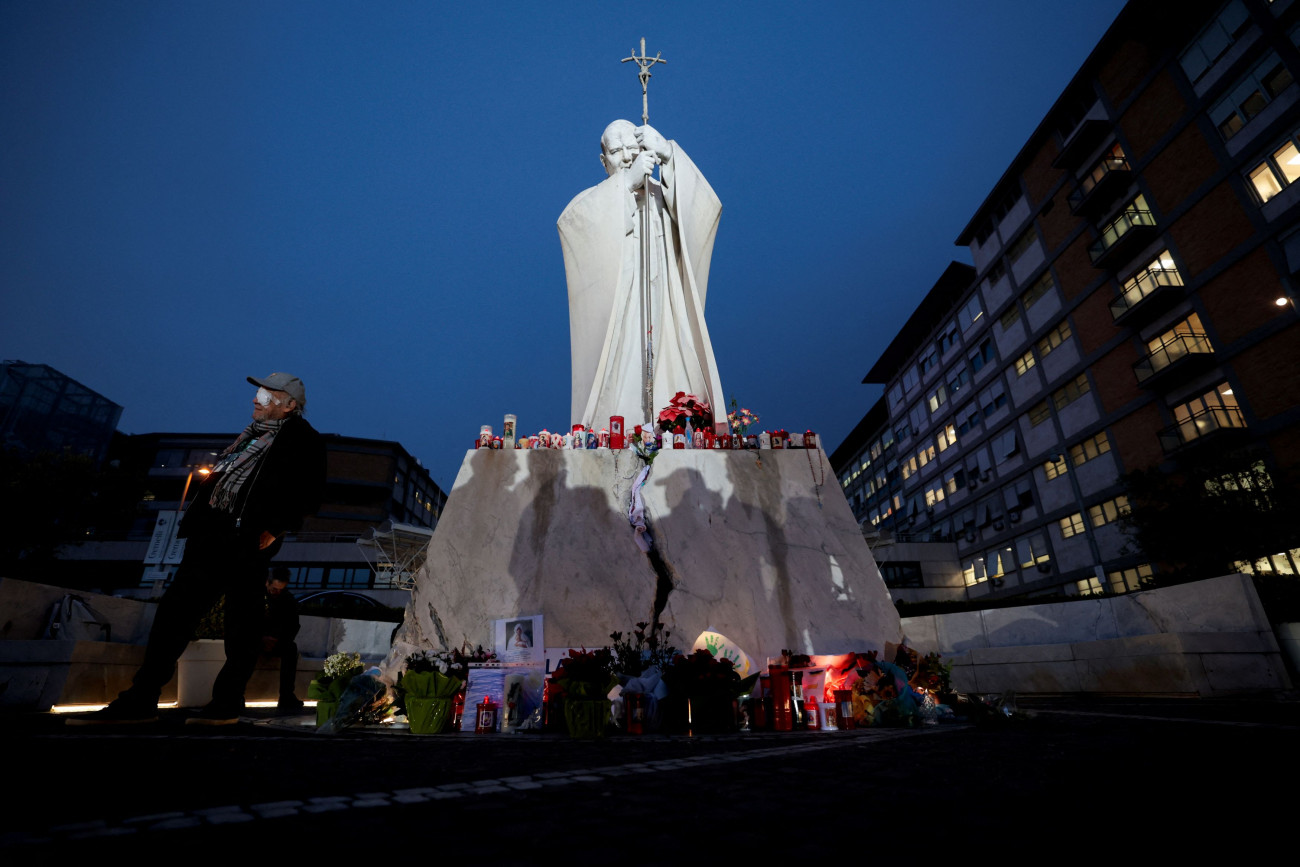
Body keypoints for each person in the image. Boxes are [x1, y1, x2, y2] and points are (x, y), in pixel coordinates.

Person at [69, 372, 326, 726]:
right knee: (175, 613)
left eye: (266, 396)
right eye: (257, 394)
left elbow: (310, 493)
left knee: (242, 623)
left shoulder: (304, 440)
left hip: (248, 538)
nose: (256, 400)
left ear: (288, 405)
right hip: (211, 533)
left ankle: (227, 702)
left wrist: (274, 528)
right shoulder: (250, 437)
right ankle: (141, 698)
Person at [558, 120, 726, 428]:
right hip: (619, 309)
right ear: (602, 159)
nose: (624, 158)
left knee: (669, 366)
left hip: (664, 304)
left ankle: (674, 419)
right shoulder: (592, 202)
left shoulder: (662, 199)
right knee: (623, 372)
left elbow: (704, 209)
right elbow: (572, 225)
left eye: (631, 150)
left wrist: (669, 155)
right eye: (616, 151)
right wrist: (624, 187)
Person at [263, 565, 304, 712]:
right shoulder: (257, 596)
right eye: (274, 589)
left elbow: (293, 625)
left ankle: (286, 696)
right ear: (267, 583)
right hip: (255, 638)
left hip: (277, 641)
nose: (277, 592)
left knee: (291, 649)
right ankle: (237, 695)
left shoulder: (287, 599)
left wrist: (278, 640)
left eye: (280, 590)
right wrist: (261, 638)